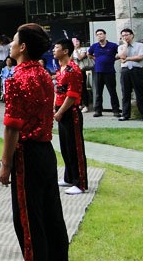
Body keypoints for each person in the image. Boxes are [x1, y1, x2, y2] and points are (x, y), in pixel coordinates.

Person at [0, 24, 69, 260]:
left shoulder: (16, 78)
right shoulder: (43, 75)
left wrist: (6, 164)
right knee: (51, 215)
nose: (11, 44)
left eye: (15, 40)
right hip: (46, 152)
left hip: (26, 154)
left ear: (23, 47)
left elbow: (12, 126)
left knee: (28, 220)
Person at [52, 39, 88, 195]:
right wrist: (55, 107)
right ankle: (69, 177)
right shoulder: (61, 69)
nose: (54, 50)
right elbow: (58, 92)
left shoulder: (72, 70)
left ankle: (80, 183)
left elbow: (72, 96)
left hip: (70, 112)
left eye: (57, 48)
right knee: (65, 147)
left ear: (65, 51)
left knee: (75, 147)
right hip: (61, 110)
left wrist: (60, 112)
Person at [117, 28, 143, 122]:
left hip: (137, 70)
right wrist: (126, 45)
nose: (125, 37)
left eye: (127, 35)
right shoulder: (121, 47)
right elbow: (122, 56)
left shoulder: (140, 45)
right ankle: (125, 115)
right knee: (125, 93)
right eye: (123, 36)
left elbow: (140, 57)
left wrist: (128, 59)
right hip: (125, 70)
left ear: (132, 35)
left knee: (139, 93)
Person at [87, 29, 121, 117]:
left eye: (101, 34)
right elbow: (89, 54)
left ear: (105, 35)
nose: (99, 36)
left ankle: (116, 110)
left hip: (109, 72)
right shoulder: (94, 46)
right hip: (98, 72)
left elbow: (120, 53)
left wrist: (113, 58)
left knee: (112, 92)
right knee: (98, 92)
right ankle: (98, 111)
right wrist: (95, 58)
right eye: (97, 34)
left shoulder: (113, 46)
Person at [72, 37, 92, 112]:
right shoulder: (72, 50)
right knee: (76, 89)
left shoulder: (83, 49)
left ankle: (86, 105)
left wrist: (76, 50)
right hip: (74, 71)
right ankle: (79, 104)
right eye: (74, 42)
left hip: (81, 71)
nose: (76, 43)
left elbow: (80, 58)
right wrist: (73, 49)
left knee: (83, 88)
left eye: (77, 41)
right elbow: (70, 59)